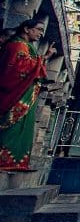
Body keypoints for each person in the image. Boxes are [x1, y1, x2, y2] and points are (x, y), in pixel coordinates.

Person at [0, 19, 58, 166]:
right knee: (13, 127)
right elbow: (18, 69)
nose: (40, 33)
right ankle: (5, 161)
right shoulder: (18, 45)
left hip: (25, 95)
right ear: (26, 29)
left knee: (23, 128)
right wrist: (45, 57)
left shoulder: (26, 46)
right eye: (38, 29)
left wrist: (42, 59)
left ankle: (13, 162)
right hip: (15, 96)